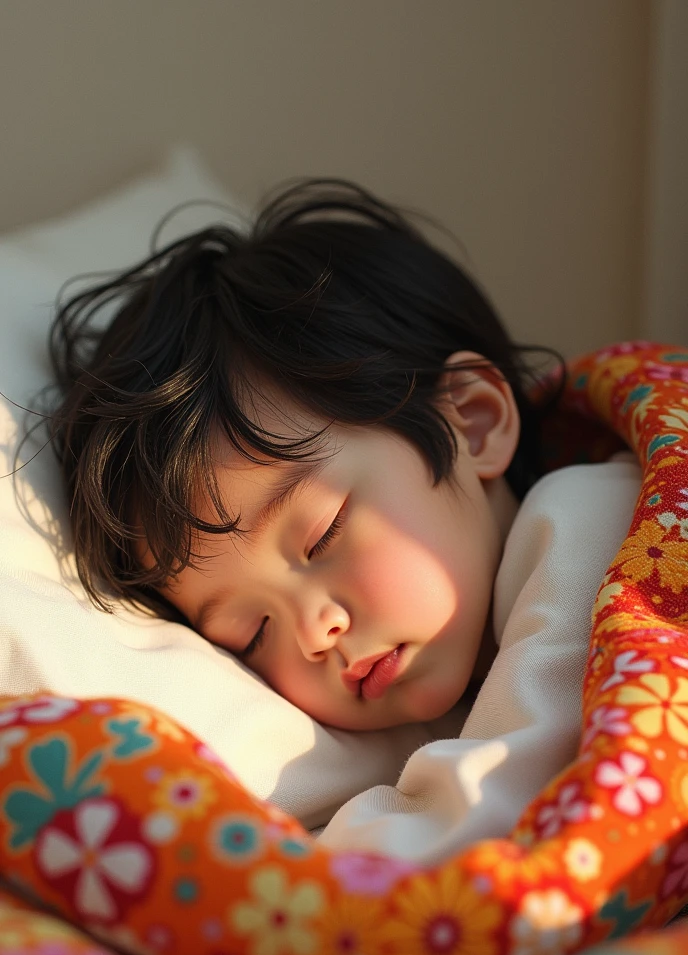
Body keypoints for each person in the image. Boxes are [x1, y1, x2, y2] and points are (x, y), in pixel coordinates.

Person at [48, 178, 564, 734]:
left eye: (324, 534)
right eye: (253, 635)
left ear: (473, 420)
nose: (314, 634)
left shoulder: (600, 553)